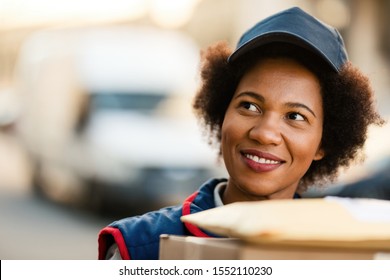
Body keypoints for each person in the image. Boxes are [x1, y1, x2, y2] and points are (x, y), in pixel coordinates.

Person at [98, 6, 384, 260]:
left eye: (295, 116)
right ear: (223, 114)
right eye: (249, 106)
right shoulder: (138, 248)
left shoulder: (339, 254)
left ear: (325, 141)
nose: (265, 133)